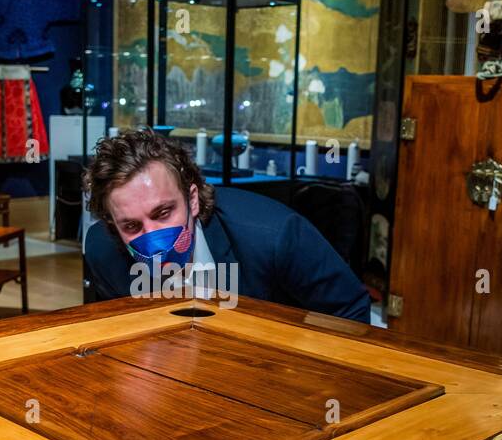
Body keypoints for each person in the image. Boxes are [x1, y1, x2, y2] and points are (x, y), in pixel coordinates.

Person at [82, 129, 371, 323]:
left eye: (163, 212)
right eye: (132, 225)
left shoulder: (274, 237)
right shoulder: (102, 251)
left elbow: (349, 311)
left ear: (192, 200)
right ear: (112, 225)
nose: (154, 237)